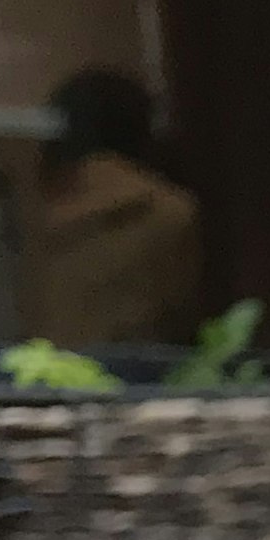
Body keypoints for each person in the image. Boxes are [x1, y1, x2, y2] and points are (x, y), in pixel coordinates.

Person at [18, 67, 203, 347]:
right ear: (144, 131)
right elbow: (181, 315)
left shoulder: (22, 215)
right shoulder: (171, 213)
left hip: (33, 378)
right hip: (138, 377)